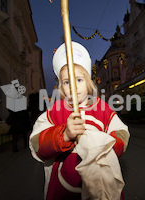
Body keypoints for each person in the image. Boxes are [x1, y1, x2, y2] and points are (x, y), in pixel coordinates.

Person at [29, 42, 130, 200]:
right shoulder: (55, 111)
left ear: (89, 83)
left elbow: (122, 135)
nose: (74, 87)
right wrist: (64, 135)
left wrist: (105, 146)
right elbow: (37, 144)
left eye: (79, 80)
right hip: (64, 191)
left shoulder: (102, 108)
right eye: (67, 82)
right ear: (61, 87)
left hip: (101, 186)